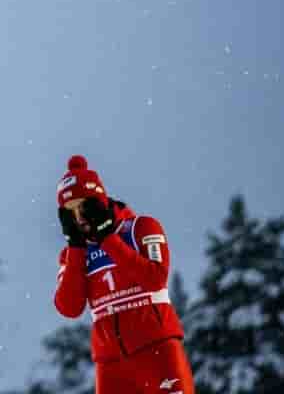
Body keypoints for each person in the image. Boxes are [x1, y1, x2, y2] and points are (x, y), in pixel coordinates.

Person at [53, 155, 196, 393]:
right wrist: (76, 248)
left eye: (84, 206)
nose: (79, 217)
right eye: (70, 212)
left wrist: (107, 239)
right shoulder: (71, 255)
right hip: (110, 365)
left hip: (157, 352)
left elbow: (155, 279)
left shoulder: (141, 227)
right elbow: (69, 307)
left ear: (99, 201)